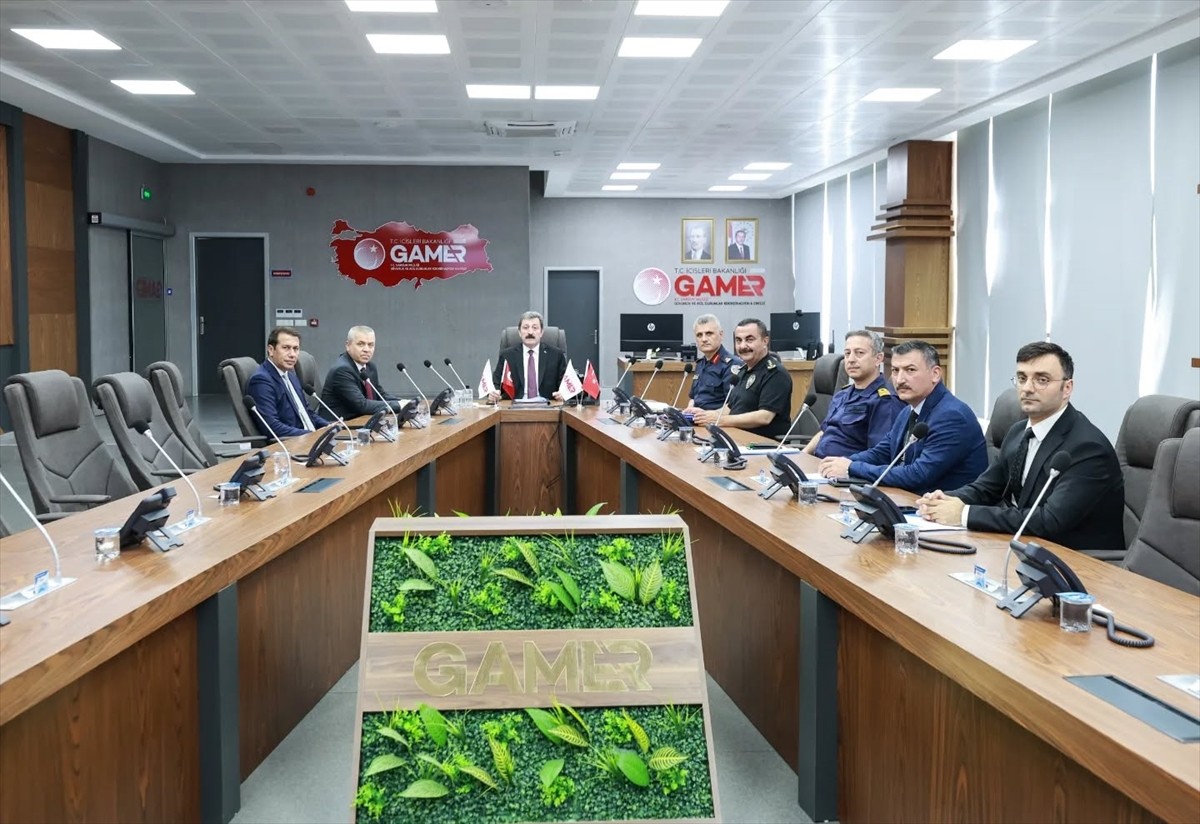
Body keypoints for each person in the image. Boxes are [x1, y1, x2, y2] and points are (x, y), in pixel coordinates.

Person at [917, 342, 1124, 553]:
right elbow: (986, 488)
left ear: (1067, 388)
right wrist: (944, 500)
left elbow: (1050, 520)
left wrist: (963, 514)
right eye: (1022, 378)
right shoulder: (1018, 432)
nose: (1027, 388)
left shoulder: (1087, 447)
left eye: (1042, 380)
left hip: (1077, 562)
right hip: (1023, 547)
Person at [817, 340, 986, 493]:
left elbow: (918, 474)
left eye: (910, 370)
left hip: (944, 512)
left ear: (935, 374)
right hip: (910, 499)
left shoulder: (951, 416)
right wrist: (840, 462)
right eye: (896, 371)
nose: (900, 379)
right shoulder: (909, 410)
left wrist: (852, 467)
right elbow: (881, 453)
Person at [804, 330, 903, 458]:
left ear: (878, 359)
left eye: (859, 353)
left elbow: (880, 454)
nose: (851, 360)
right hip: (818, 465)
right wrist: (804, 454)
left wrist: (845, 466)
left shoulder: (884, 400)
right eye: (847, 353)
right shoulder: (842, 394)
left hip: (848, 473)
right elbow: (824, 432)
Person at [692, 318, 792, 438]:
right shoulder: (743, 371)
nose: (743, 346)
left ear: (765, 341)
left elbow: (764, 417)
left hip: (762, 445)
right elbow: (729, 407)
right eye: (738, 340)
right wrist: (705, 415)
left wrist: (720, 420)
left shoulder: (775, 373)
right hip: (737, 437)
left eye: (749, 340)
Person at [246, 327, 331, 438]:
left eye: (296, 349)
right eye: (286, 348)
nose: (292, 354)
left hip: (308, 438)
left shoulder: (290, 376)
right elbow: (271, 427)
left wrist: (329, 426)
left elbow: (307, 412)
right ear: (271, 350)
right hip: (290, 445)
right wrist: (312, 435)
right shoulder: (261, 380)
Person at [320, 325, 400, 420]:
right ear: (348, 345)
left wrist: (405, 403)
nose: (366, 350)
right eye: (361, 344)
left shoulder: (370, 367)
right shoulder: (342, 370)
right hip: (340, 426)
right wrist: (399, 405)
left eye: (371, 345)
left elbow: (380, 395)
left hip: (361, 421)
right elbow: (361, 405)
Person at [490, 310, 568, 401]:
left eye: (535, 328)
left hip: (547, 408)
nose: (530, 332)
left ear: (541, 332)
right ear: (519, 332)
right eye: (526, 328)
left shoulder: (556, 355)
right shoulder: (507, 356)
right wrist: (493, 394)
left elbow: (567, 386)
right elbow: (495, 385)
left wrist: (564, 394)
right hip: (515, 408)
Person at [683, 314, 742, 412]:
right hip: (697, 420)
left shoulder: (732, 365)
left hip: (718, 422)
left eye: (709, 333)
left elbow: (734, 406)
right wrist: (689, 409)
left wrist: (705, 414)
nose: (704, 339)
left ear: (721, 335)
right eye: (699, 335)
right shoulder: (700, 364)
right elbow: (694, 397)